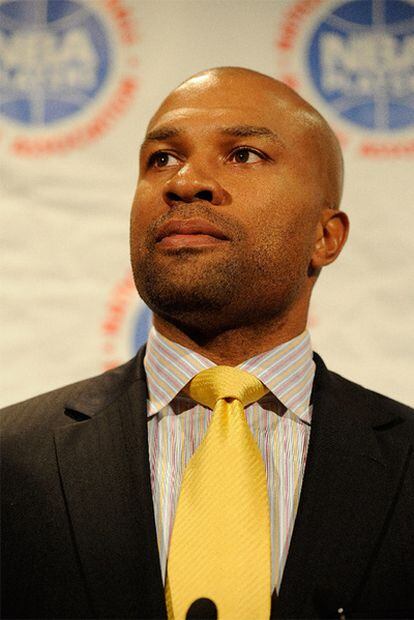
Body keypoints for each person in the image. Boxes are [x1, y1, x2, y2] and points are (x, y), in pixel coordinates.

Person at [1, 67, 413, 620]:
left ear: (325, 236)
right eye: (162, 158)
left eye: (243, 154)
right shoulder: (10, 459)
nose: (184, 181)